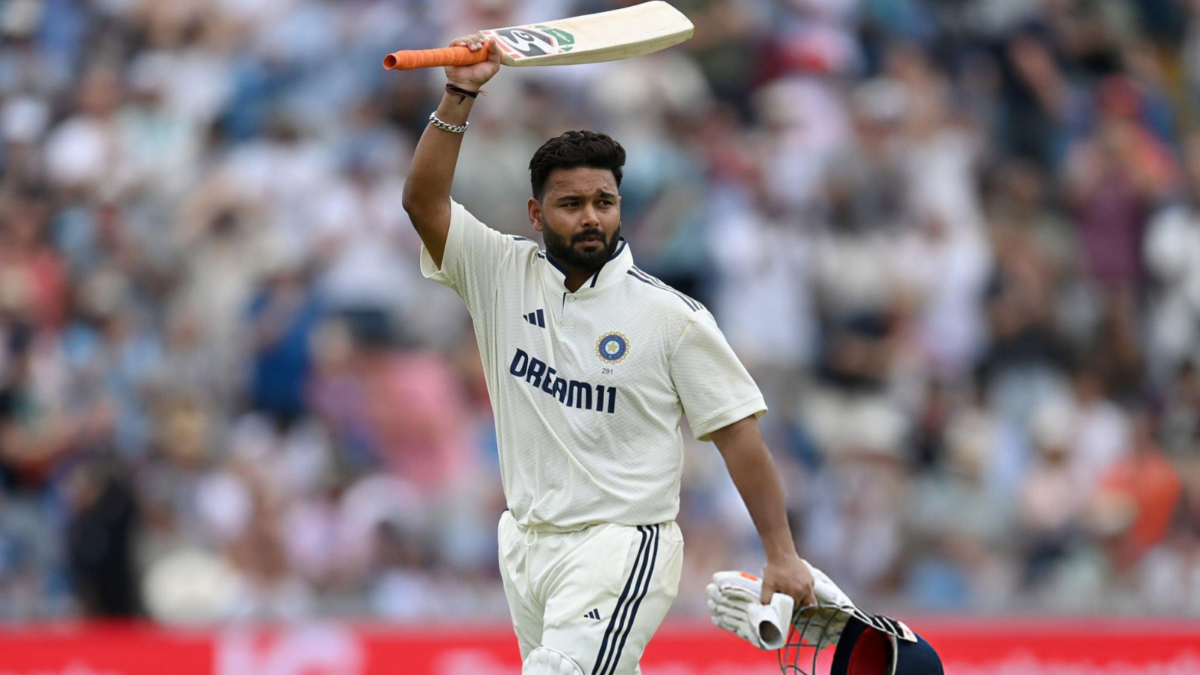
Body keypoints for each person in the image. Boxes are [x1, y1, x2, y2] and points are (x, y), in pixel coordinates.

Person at [401, 34, 816, 675]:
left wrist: (782, 553)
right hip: (527, 544)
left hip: (623, 545)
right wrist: (460, 93)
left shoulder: (670, 316)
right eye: (571, 205)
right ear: (537, 214)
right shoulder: (498, 272)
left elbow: (739, 436)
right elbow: (422, 202)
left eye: (605, 202)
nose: (591, 218)